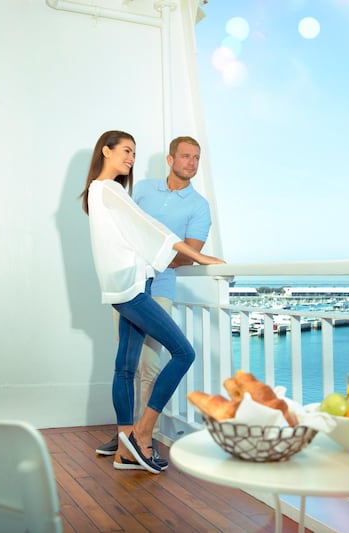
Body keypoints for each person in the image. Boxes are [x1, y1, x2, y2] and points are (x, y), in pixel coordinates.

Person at [79, 130, 224, 474]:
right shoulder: (110, 189)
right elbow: (150, 230)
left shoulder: (102, 191)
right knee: (184, 353)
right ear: (106, 151)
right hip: (132, 289)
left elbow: (137, 233)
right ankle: (142, 433)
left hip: (129, 287)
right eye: (125, 151)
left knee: (126, 367)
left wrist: (190, 254)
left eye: (133, 152)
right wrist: (201, 259)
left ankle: (126, 447)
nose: (130, 157)